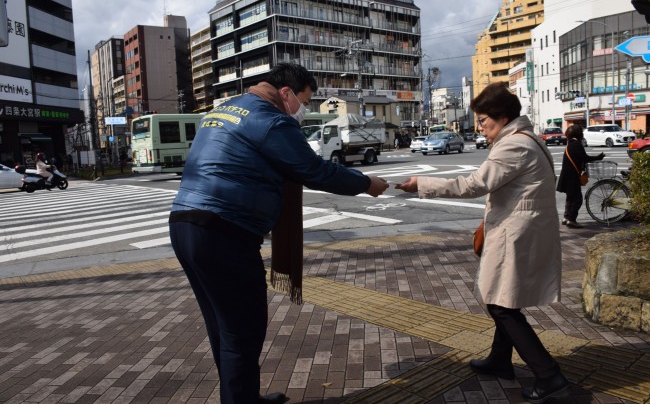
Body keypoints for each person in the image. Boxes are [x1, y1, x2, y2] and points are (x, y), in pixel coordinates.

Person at [169, 63, 388, 404]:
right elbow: (312, 170)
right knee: (244, 329)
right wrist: (365, 183)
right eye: (305, 100)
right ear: (285, 93)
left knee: (224, 326)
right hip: (223, 231)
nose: (305, 110)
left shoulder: (227, 109)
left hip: (186, 223)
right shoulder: (271, 119)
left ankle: (244, 397)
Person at [396, 82, 569, 404]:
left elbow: (473, 185)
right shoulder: (528, 138)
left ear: (502, 118)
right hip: (523, 230)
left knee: (500, 305)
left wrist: (422, 182)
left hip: (517, 234)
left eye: (484, 121)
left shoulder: (514, 145)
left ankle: (549, 376)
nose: (480, 128)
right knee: (505, 299)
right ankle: (500, 360)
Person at [556, 125, 604, 228]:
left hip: (567, 175)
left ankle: (566, 218)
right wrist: (598, 157)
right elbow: (584, 158)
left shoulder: (570, 144)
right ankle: (572, 220)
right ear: (578, 134)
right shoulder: (576, 144)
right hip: (572, 176)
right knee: (578, 199)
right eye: (581, 133)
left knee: (570, 198)